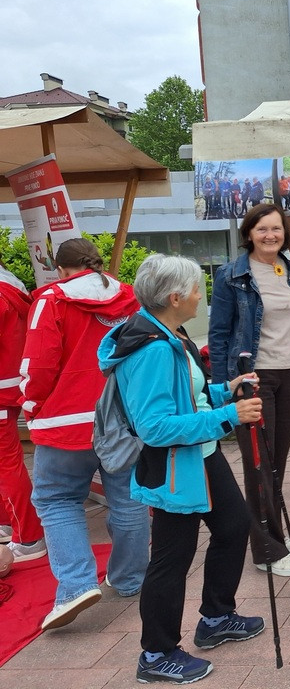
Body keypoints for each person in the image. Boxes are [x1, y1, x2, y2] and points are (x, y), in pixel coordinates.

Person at [99, 254, 265, 684]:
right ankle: (155, 654)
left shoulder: (170, 333)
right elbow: (154, 427)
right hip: (173, 466)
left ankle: (215, 617)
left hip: (201, 454)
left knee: (233, 527)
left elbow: (185, 393)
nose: (200, 297)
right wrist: (229, 415)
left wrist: (224, 391)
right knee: (172, 559)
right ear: (175, 297)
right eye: (196, 289)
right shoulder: (153, 349)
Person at [20, 238, 149, 630]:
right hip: (121, 418)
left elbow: (38, 365)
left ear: (60, 269)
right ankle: (130, 579)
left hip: (63, 422)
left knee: (57, 500)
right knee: (127, 498)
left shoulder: (51, 300)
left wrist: (33, 406)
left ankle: (76, 586)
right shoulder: (131, 299)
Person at [208, 204, 290, 578]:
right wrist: (227, 386)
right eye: (262, 230)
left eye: (276, 229)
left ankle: (274, 535)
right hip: (254, 378)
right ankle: (266, 551)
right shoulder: (231, 275)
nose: (271, 235)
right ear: (248, 234)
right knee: (258, 464)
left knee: (277, 462)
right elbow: (219, 335)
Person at [0, 264, 44, 556]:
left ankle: (28, 536)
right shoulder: (10, 284)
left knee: (6, 462)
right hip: (13, 382)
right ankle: (7, 522)